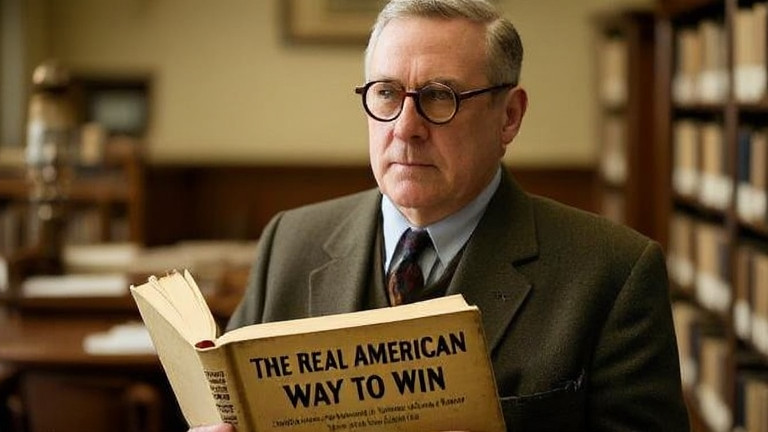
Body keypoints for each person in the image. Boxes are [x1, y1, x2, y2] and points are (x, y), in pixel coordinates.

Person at [192, 0, 690, 430]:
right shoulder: (290, 242)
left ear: (509, 117)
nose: (406, 127)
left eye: (439, 96)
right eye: (386, 93)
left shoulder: (613, 272)